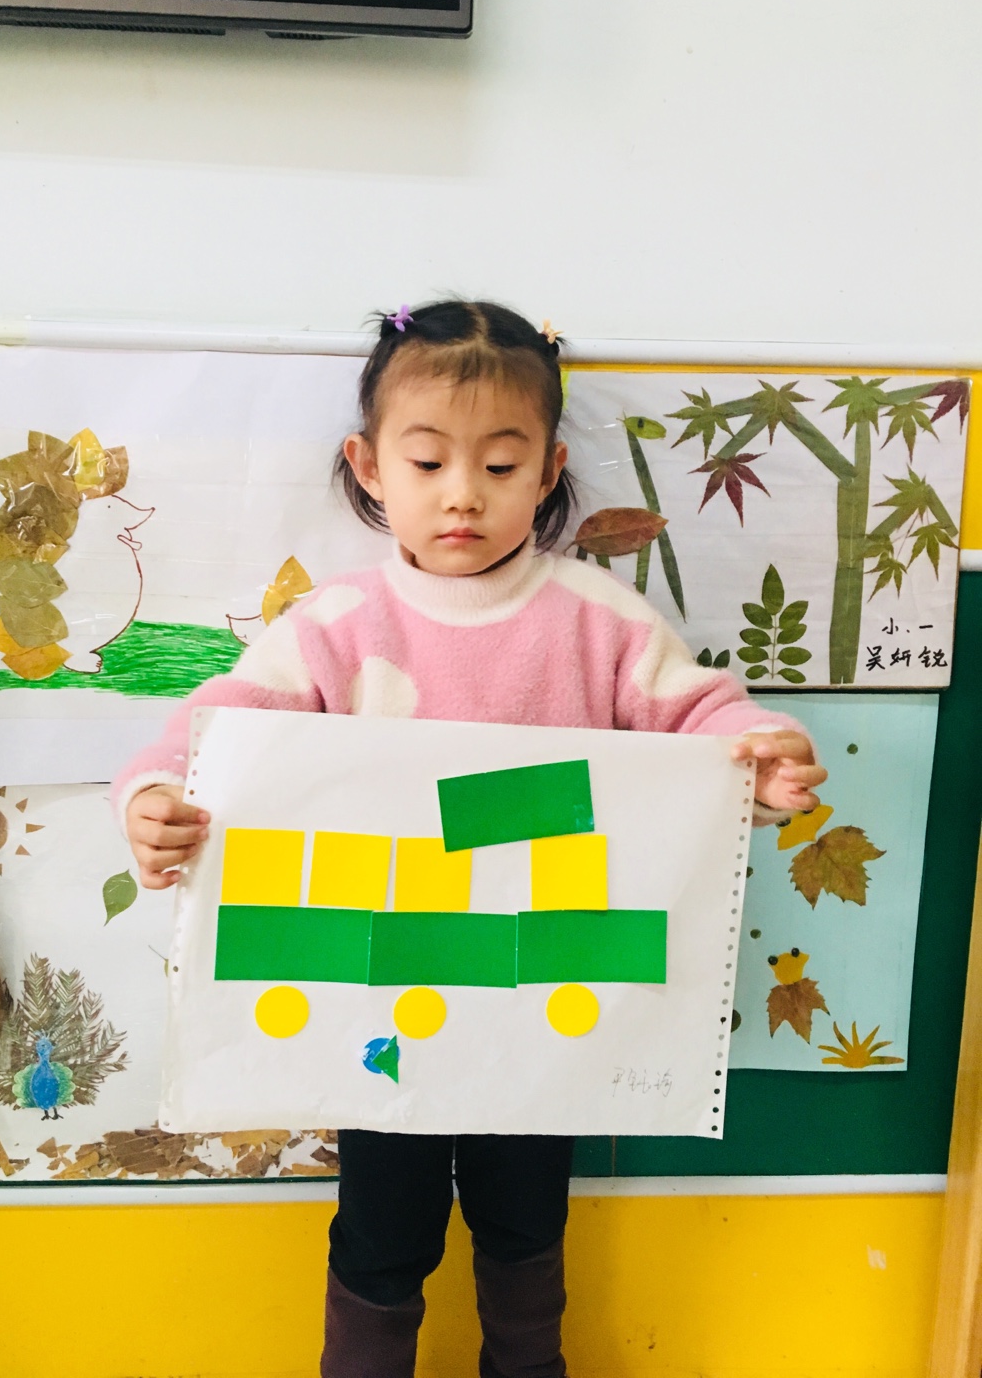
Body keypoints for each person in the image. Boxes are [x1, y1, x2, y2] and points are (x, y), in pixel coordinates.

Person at [114, 300, 826, 1378]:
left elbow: (704, 718)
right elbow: (213, 735)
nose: (463, 493)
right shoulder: (337, 625)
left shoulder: (597, 618)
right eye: (428, 461)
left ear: (546, 474)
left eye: (500, 465)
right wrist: (156, 794)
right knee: (381, 1233)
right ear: (368, 466)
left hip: (543, 1002)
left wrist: (761, 758)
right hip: (378, 999)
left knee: (527, 1225)